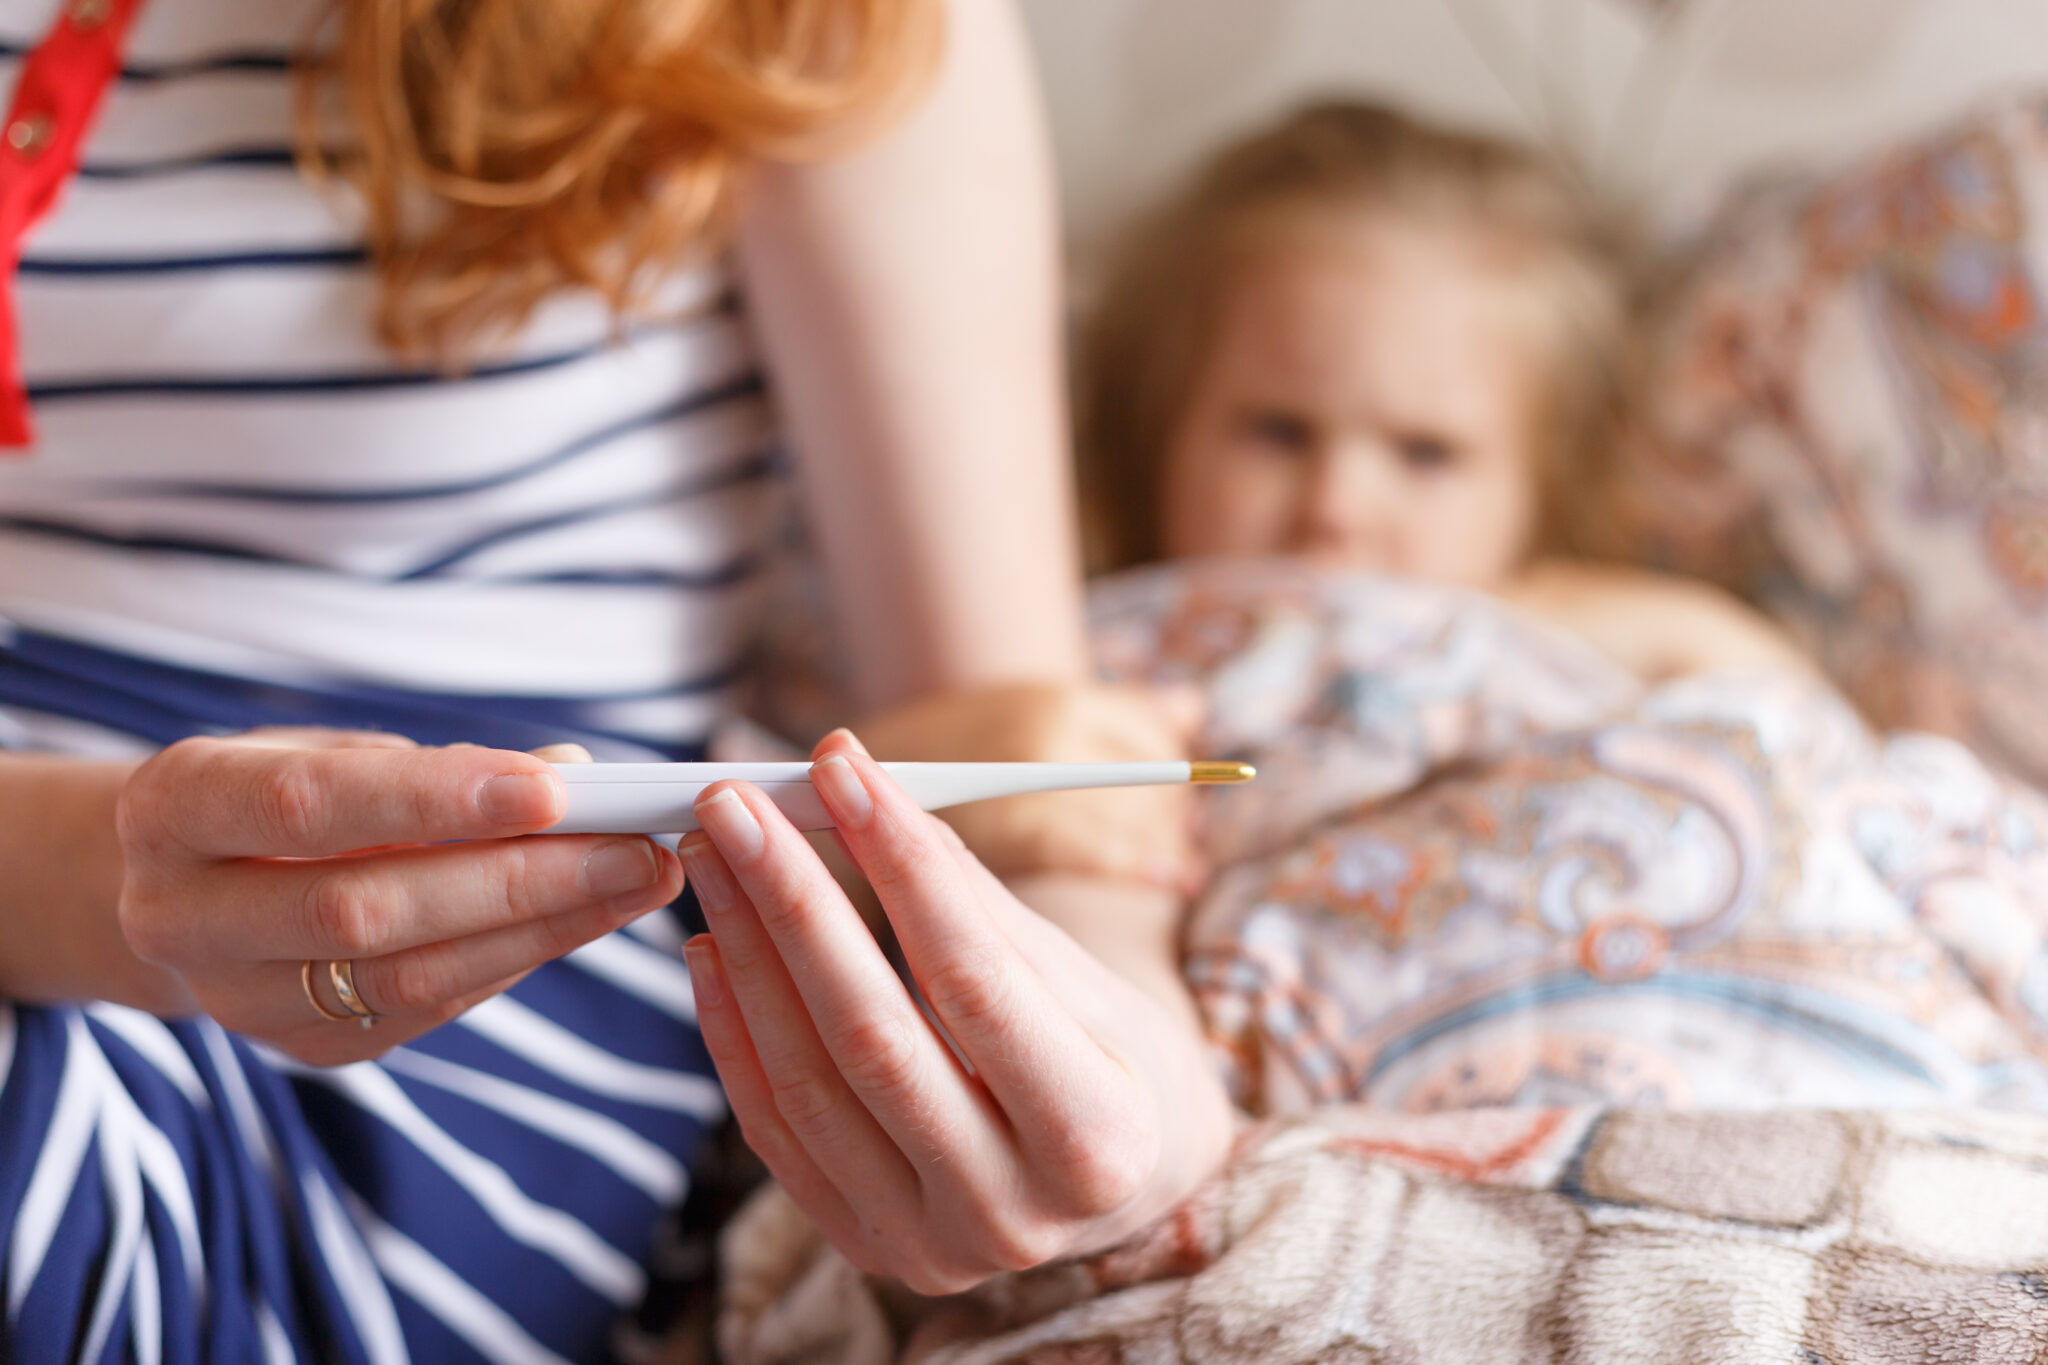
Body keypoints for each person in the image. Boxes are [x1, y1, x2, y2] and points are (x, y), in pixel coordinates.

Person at [0, 0, 1232, 1359]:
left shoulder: (810, 25)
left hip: (435, 1034)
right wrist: (73, 870)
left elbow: (1002, 730)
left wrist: (1146, 1097)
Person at [1076, 100, 1812, 684]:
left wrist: (1625, 628)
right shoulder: (1072, 652)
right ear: (1154, 430)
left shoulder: (1567, 649)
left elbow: (1795, 727)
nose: (1334, 508)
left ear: (1546, 489)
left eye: (1425, 453)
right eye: (1280, 431)